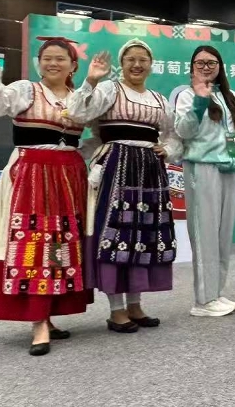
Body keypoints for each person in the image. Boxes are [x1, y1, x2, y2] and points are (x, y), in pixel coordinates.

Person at [0, 38, 93, 356]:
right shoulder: (25, 90)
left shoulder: (79, 99)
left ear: (73, 65)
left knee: (62, 245)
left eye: (60, 58)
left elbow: (94, 137)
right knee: (34, 242)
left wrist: (83, 157)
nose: (52, 63)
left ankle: (49, 312)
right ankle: (38, 321)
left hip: (69, 176)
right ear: (38, 63)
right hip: (32, 173)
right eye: (46, 58)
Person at [65, 40, 181, 333]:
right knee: (117, 233)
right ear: (122, 63)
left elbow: (173, 134)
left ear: (151, 65)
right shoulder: (109, 89)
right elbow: (77, 113)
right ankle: (116, 309)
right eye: (131, 59)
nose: (137, 65)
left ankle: (135, 304)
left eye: (143, 59)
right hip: (117, 166)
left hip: (150, 171)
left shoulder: (159, 99)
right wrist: (91, 80)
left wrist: (167, 149)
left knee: (143, 234)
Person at [173, 45, 235, 318]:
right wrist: (199, 102)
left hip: (230, 170)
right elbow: (183, 131)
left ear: (220, 66)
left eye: (211, 62)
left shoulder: (230, 96)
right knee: (204, 234)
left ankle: (216, 292)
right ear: (192, 67)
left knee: (222, 235)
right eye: (200, 63)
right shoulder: (187, 95)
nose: (206, 67)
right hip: (202, 169)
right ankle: (203, 300)